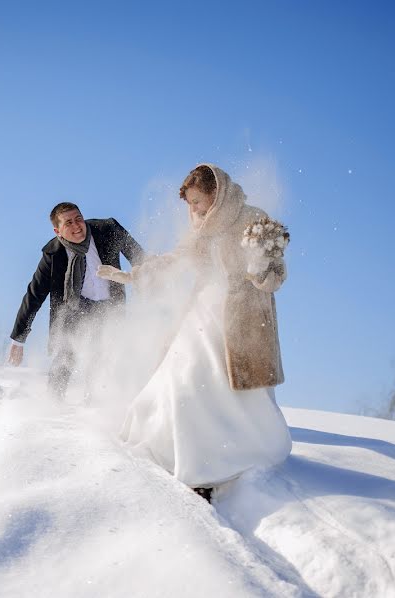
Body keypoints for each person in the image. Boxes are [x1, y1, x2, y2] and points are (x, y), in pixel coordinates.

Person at [98, 164, 292, 501]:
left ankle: (231, 458)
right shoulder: (199, 230)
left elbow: (275, 276)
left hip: (241, 317)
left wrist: (259, 268)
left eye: (197, 201)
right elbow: (174, 259)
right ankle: (180, 453)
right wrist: (131, 276)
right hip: (202, 311)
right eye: (189, 204)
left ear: (217, 194)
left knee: (233, 386)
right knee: (183, 379)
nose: (194, 210)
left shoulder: (253, 218)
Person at [8, 202, 145, 399]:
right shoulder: (53, 255)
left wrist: (150, 273)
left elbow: (139, 256)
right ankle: (53, 403)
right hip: (76, 307)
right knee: (65, 353)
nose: (77, 226)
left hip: (110, 305)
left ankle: (94, 404)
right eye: (69, 223)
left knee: (102, 356)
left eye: (78, 218)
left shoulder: (108, 229)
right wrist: (18, 338)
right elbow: (34, 295)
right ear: (58, 231)